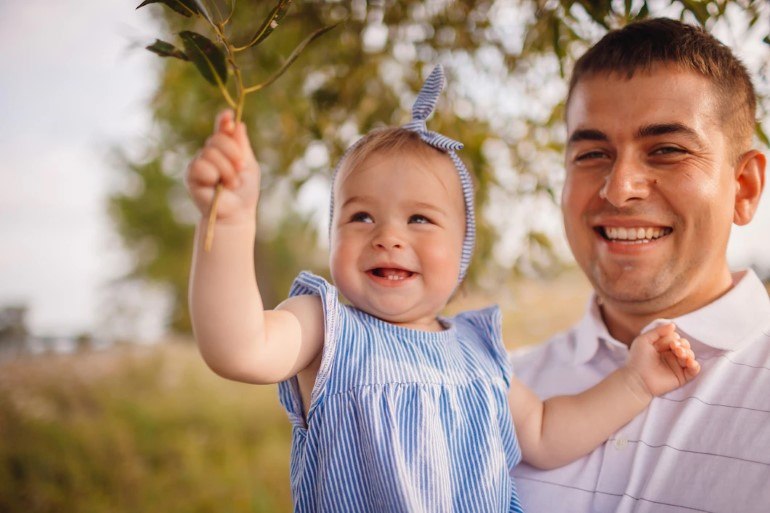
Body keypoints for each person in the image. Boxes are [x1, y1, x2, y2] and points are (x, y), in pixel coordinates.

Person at [186, 66, 699, 512]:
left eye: (419, 219)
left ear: (462, 253)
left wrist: (636, 383)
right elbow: (238, 347)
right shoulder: (325, 326)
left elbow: (544, 432)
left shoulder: (478, 350)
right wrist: (228, 225)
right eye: (360, 216)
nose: (388, 236)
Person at [510, 18, 768, 513]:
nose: (618, 186)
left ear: (744, 188)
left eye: (667, 150)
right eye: (592, 153)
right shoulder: (496, 389)